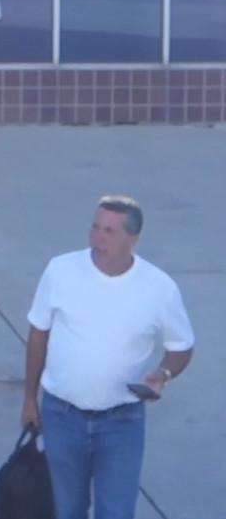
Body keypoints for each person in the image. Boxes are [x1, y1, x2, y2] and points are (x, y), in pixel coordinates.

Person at [21, 195, 195, 519]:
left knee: (117, 512)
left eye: (110, 231)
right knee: (67, 510)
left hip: (122, 423)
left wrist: (163, 374)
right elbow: (38, 334)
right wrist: (30, 398)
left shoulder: (159, 288)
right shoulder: (61, 270)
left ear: (133, 239)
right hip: (62, 417)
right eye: (95, 227)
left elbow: (181, 346)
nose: (98, 238)